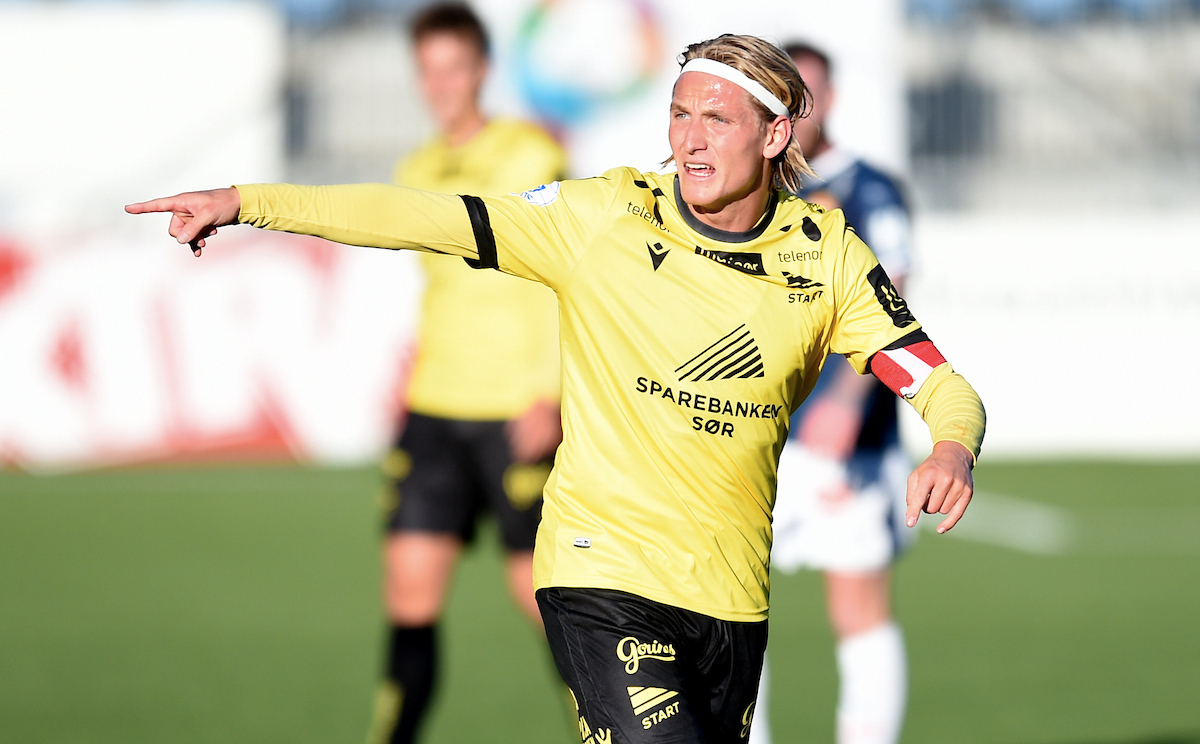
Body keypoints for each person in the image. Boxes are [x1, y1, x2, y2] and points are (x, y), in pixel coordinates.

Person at [127, 33, 985, 744]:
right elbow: (427, 216)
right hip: (600, 572)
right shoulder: (605, 216)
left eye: (716, 120)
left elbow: (939, 381)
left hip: (732, 598)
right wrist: (248, 201)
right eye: (679, 114)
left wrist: (951, 445)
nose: (689, 139)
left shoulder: (826, 255)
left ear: (774, 136)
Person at [368, 5, 567, 744]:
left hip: (517, 408)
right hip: (435, 407)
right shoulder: (416, 168)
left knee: (546, 601)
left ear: (482, 70)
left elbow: (562, 275)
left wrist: (550, 393)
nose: (441, 84)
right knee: (409, 594)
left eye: (454, 67)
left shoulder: (530, 155)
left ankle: (611, 729)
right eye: (429, 70)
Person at [750, 42, 918, 744]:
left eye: (807, 96)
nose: (796, 112)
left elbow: (890, 299)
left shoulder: (870, 190)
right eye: (783, 98)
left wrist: (848, 399)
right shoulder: (752, 190)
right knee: (731, 609)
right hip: (751, 431)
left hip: (844, 441)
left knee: (857, 609)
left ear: (831, 100)